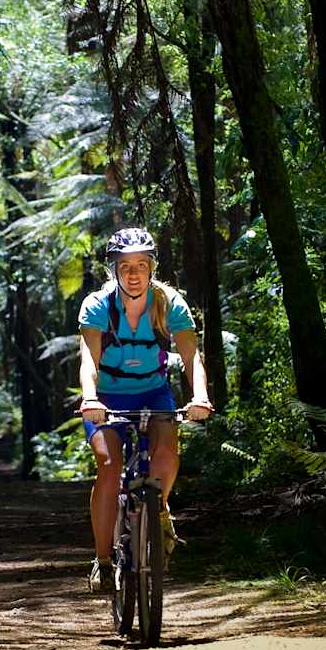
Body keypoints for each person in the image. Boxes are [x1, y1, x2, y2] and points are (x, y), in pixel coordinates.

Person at [77, 227, 213, 595]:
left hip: (154, 394)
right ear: (114, 271)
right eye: (125, 266)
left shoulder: (169, 303)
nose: (133, 273)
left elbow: (190, 355)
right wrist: (90, 399)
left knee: (167, 453)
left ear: (152, 266)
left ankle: (159, 513)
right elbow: (88, 358)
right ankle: (103, 561)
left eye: (141, 264)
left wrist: (199, 395)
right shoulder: (98, 305)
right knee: (109, 466)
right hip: (106, 397)